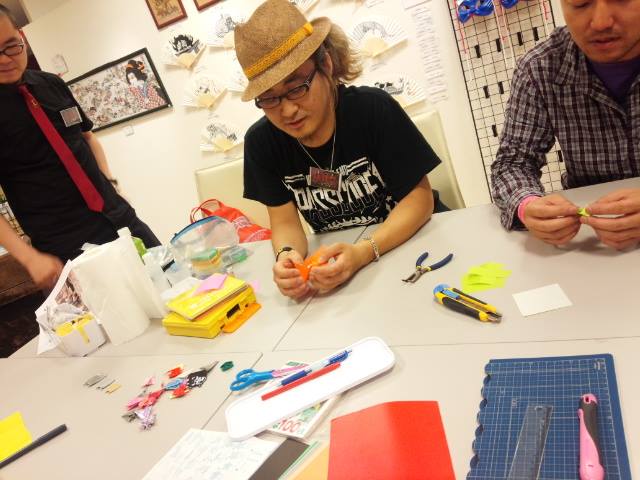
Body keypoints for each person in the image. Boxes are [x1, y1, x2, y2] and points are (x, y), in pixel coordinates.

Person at [235, 0, 446, 299]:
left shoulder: (373, 110)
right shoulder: (261, 143)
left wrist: (363, 252)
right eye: (269, 99)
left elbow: (419, 200)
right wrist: (287, 255)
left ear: (326, 64)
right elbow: (284, 222)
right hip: (345, 274)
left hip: (415, 244)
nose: (288, 110)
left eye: (296, 88)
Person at [0, 5, 160, 290]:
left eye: (11, 46)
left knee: (171, 282)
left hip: (118, 216)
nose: (5, 59)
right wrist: (29, 258)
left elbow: (87, 138)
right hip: (66, 243)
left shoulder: (51, 83)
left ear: (21, 36)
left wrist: (111, 183)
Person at [491, 0, 640, 249]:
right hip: (592, 244)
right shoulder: (540, 68)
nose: (601, 22)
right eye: (580, 3)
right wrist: (527, 205)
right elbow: (512, 164)